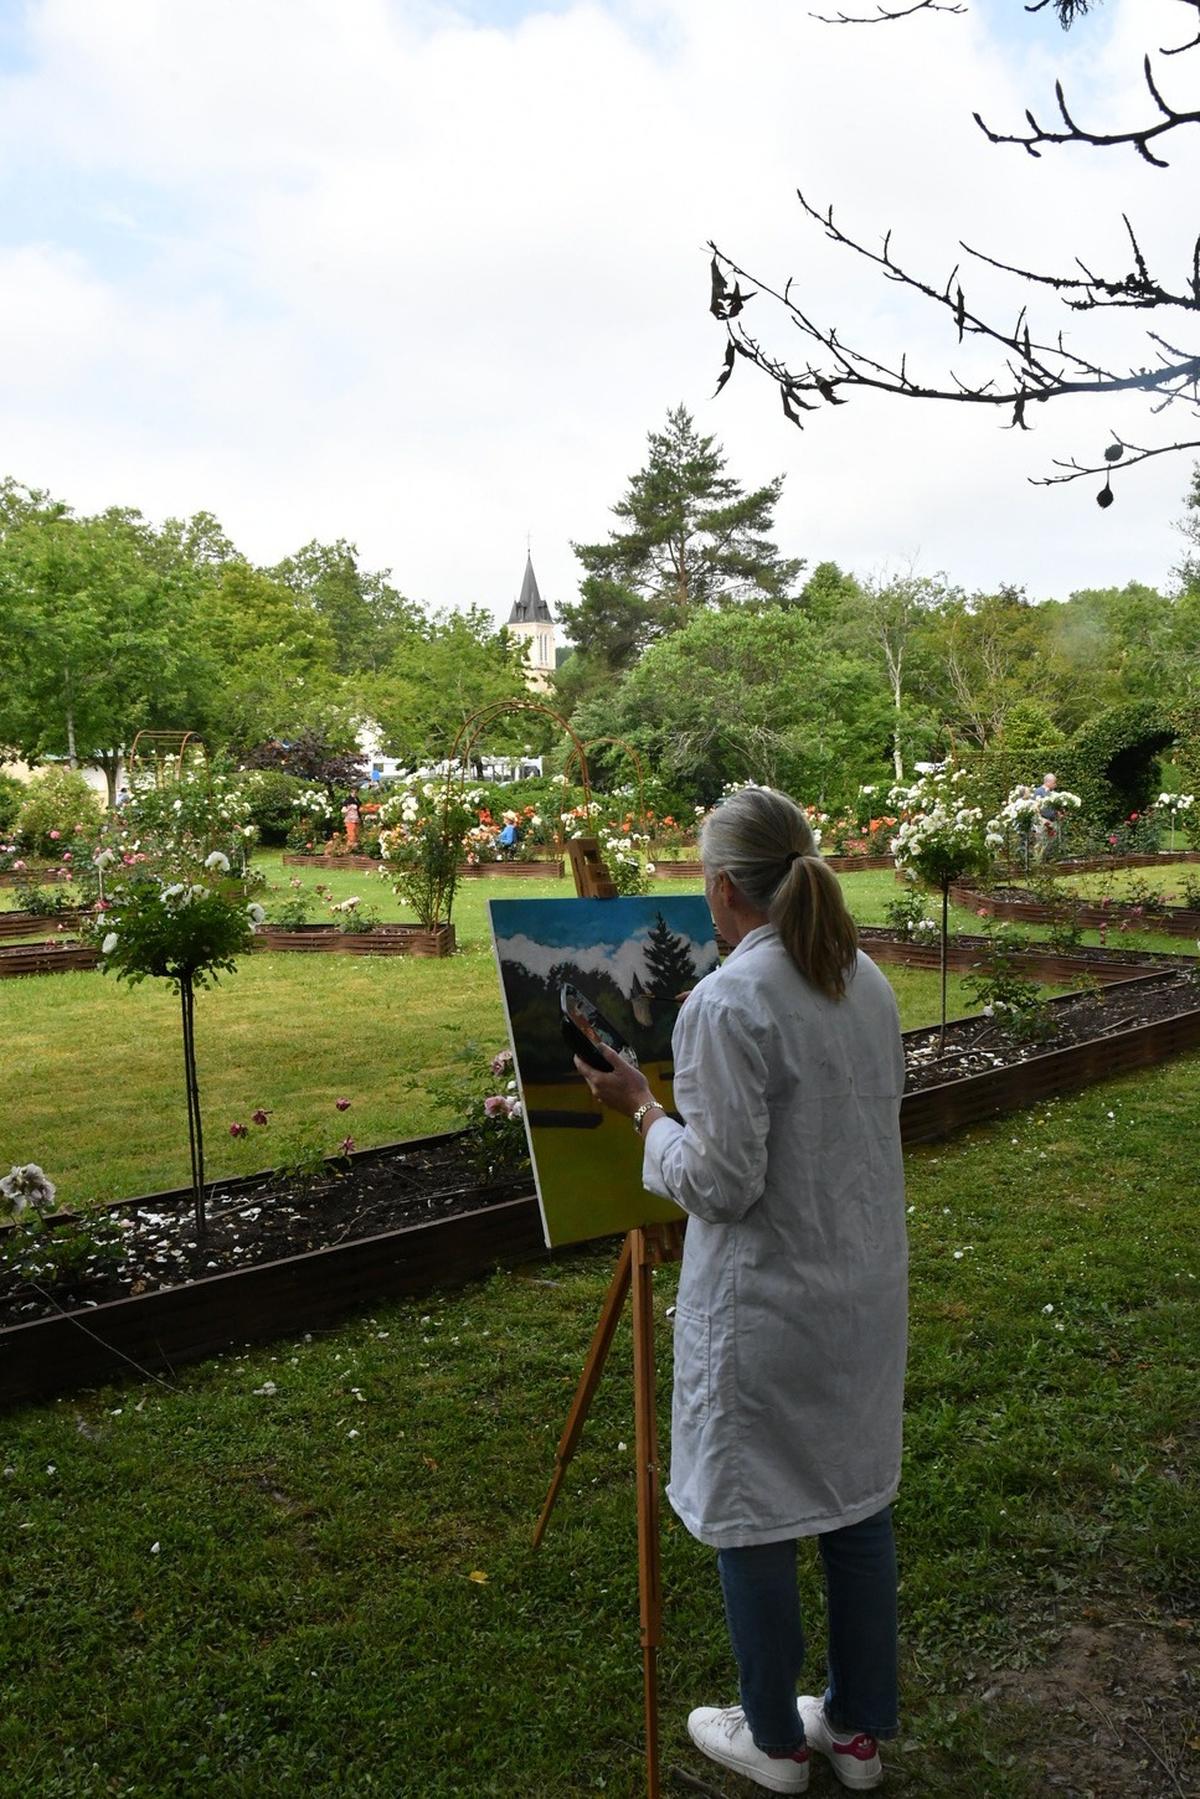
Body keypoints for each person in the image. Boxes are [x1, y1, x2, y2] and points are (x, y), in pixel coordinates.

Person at [575, 785, 907, 1794]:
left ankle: (773, 1740)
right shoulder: (863, 978)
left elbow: (720, 1183)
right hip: (858, 1286)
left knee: (752, 1509)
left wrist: (642, 1109)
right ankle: (856, 1731)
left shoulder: (729, 1002)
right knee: (854, 1504)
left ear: (722, 886)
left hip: (768, 1303)